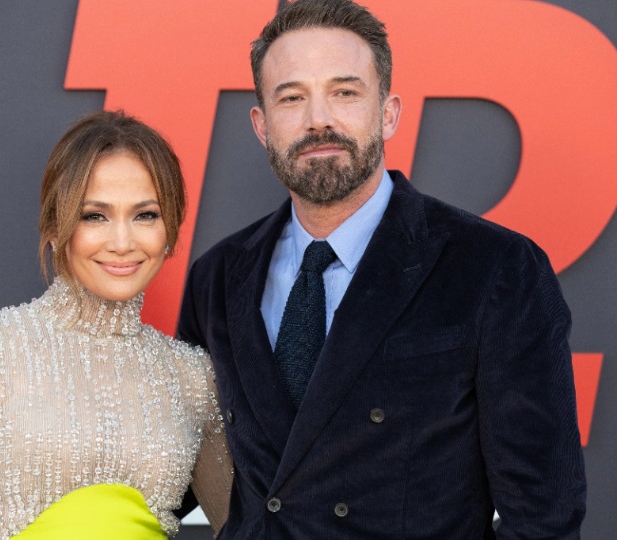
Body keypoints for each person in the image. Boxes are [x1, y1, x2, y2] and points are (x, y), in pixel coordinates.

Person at [176, 0, 586, 537]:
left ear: (388, 112)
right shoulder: (217, 278)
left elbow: (543, 515)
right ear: (261, 125)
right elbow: (173, 472)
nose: (318, 118)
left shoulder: (495, 270)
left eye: (344, 92)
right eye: (292, 97)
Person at [0, 110, 232, 539]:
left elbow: (248, 526)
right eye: (95, 216)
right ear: (56, 226)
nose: (122, 242)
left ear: (170, 229)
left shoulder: (192, 377)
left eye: (145, 215)